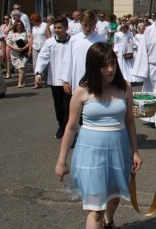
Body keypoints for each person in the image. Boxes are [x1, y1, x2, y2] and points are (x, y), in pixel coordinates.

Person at [55, 42, 142, 229]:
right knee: (95, 210)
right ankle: (102, 219)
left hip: (119, 151)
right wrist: (62, 161)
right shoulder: (82, 91)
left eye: (113, 63)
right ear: (94, 66)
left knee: (114, 198)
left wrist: (135, 151)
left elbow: (129, 121)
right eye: (104, 65)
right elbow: (70, 127)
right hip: (90, 154)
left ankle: (109, 221)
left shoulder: (124, 87)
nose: (110, 69)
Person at [35, 17, 71, 139]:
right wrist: (38, 73)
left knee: (68, 106)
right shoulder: (50, 42)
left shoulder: (73, 41)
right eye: (55, 28)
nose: (57, 30)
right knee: (58, 105)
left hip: (69, 80)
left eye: (59, 27)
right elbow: (42, 57)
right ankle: (61, 125)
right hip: (55, 79)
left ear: (66, 28)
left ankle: (67, 129)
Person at [61, 10, 107, 95]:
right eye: (85, 25)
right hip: (78, 76)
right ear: (81, 23)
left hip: (96, 76)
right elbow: (68, 60)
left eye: (91, 25)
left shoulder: (101, 40)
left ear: (95, 23)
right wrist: (66, 80)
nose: (88, 28)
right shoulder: (74, 39)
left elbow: (105, 60)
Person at [29, 13, 51, 88]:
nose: (31, 22)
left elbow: (49, 36)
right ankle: (37, 82)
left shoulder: (45, 25)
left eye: (32, 20)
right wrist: (29, 49)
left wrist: (50, 47)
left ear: (36, 20)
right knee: (35, 65)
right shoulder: (34, 27)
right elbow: (32, 38)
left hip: (44, 47)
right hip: (35, 47)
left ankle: (48, 80)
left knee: (45, 65)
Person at [7, 20, 31, 88]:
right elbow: (8, 43)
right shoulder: (11, 33)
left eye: (20, 25)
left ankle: (19, 83)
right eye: (17, 25)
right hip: (14, 53)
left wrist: (24, 48)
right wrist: (16, 48)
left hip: (24, 53)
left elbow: (30, 42)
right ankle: (24, 80)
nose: (19, 26)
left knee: (21, 67)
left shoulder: (26, 32)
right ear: (15, 26)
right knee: (18, 68)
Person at [1, 14, 13, 79]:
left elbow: (8, 30)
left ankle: (8, 73)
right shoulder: (2, 26)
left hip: (9, 43)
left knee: (8, 58)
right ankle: (8, 69)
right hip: (2, 42)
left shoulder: (11, 26)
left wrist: (10, 22)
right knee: (1, 57)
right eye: (4, 19)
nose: (5, 20)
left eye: (7, 19)